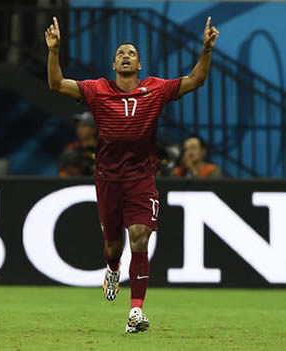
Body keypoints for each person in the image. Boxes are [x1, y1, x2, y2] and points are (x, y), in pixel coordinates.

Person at [45, 16, 219, 333]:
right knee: (113, 246)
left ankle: (135, 313)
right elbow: (57, 84)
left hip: (141, 177)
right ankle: (113, 269)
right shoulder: (97, 90)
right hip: (108, 178)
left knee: (139, 237)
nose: (126, 55)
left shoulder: (155, 89)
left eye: (131, 52)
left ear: (139, 63)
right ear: (114, 64)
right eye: (121, 53)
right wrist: (54, 51)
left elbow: (195, 80)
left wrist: (206, 49)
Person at [60, 111, 97, 176]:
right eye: (78, 126)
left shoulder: (104, 149)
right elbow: (63, 175)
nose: (79, 129)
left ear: (93, 129)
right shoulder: (73, 149)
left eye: (83, 126)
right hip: (78, 184)